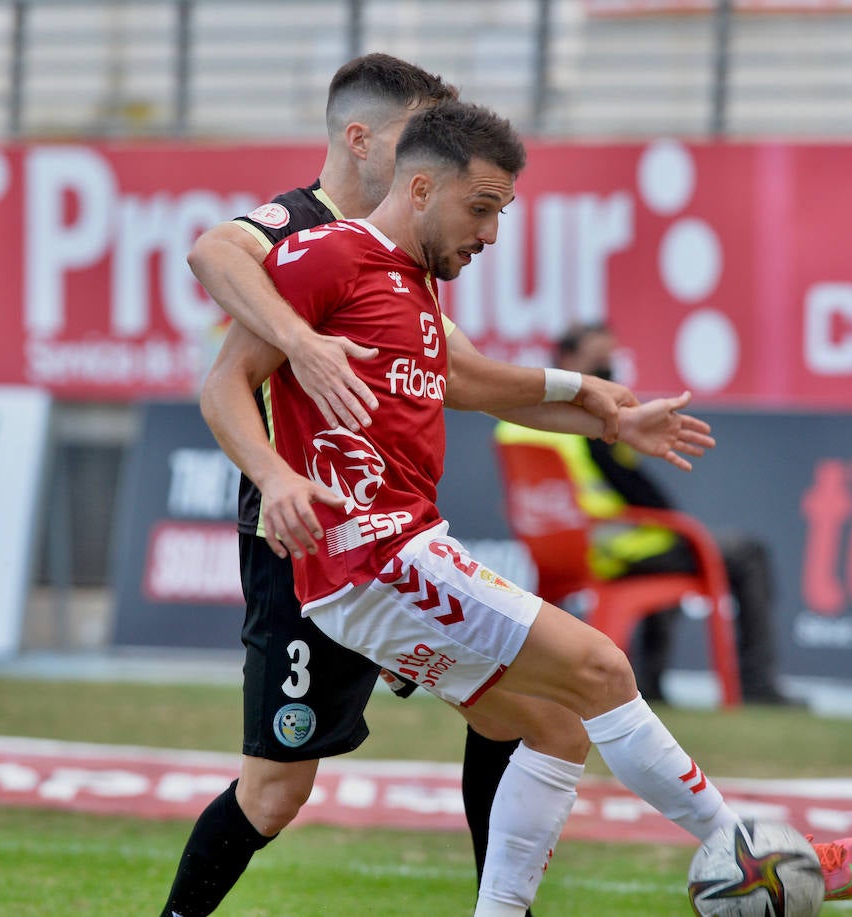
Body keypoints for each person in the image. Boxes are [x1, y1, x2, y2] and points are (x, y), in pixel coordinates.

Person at [199, 98, 852, 914]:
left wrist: (603, 407)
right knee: (600, 666)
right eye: (481, 207)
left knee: (552, 727)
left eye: (501, 212)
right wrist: (275, 476)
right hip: (372, 554)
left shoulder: (413, 287)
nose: (490, 233)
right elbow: (223, 384)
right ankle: (755, 855)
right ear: (419, 188)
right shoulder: (326, 256)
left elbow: (481, 383)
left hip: (377, 567)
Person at [160, 53, 685, 917]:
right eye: (416, 137)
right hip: (304, 532)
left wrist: (592, 402)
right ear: (363, 140)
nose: (430, 155)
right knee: (275, 791)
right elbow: (212, 252)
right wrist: (302, 342)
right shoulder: (301, 226)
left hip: (393, 538)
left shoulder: (404, 257)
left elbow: (463, 375)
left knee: (519, 717)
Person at [496, 323, 802, 706]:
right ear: (567, 360)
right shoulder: (592, 422)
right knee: (743, 552)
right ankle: (757, 683)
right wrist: (678, 524)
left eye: (611, 360)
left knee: (672, 547)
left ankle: (650, 683)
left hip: (555, 554)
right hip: (616, 551)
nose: (608, 369)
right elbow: (640, 493)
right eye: (599, 360)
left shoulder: (515, 427)